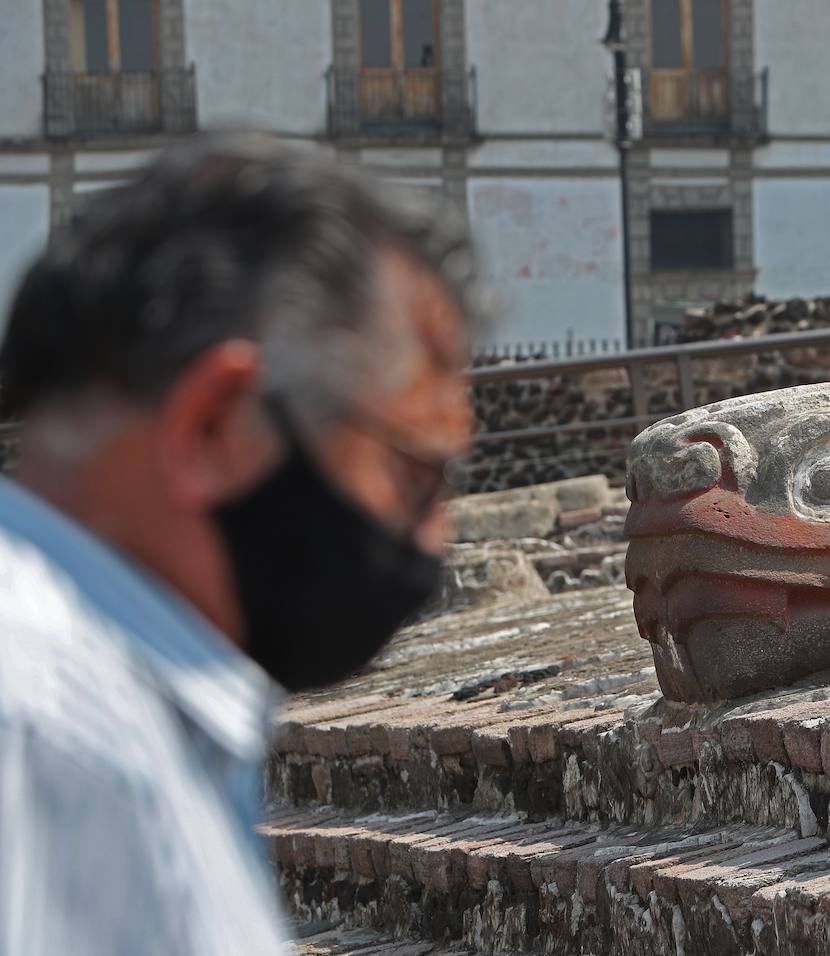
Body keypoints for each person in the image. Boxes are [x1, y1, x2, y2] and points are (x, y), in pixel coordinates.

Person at [0, 133, 476, 953]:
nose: (436, 539)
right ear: (215, 426)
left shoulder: (127, 707)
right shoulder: (50, 733)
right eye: (413, 478)